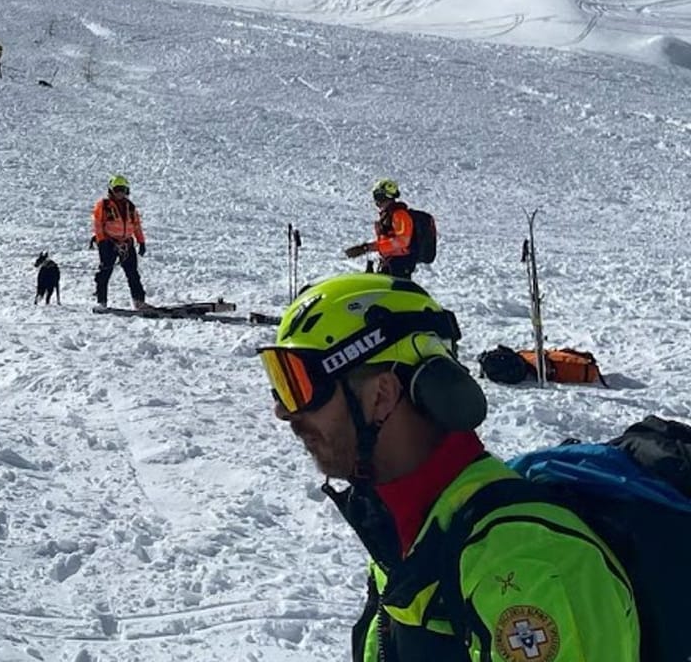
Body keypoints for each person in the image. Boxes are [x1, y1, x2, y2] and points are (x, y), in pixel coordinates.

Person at [260, 274, 638, 660]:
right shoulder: (410, 531)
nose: (283, 411)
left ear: (382, 396)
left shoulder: (527, 566)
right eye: (280, 383)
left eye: (301, 385)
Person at [92, 175, 146, 307]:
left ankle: (139, 301)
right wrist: (102, 242)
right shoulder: (103, 206)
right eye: (117, 189)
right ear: (111, 190)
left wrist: (141, 241)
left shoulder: (131, 207)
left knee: (133, 274)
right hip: (108, 243)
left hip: (127, 244)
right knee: (105, 273)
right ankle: (101, 302)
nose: (120, 193)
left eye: (123, 189)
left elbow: (136, 226)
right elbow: (98, 224)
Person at [345, 179, 415, 277]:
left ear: (385, 197)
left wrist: (369, 248)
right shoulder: (388, 215)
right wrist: (365, 248)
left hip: (399, 264)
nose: (376, 201)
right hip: (389, 262)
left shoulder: (399, 214)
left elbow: (402, 241)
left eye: (378, 197)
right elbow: (386, 241)